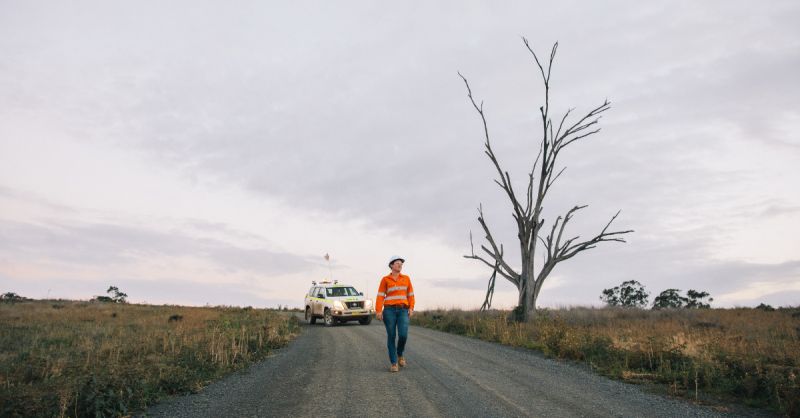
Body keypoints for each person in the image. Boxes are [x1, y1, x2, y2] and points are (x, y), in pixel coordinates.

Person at [375, 255, 415, 372]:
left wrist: (411, 308)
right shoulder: (385, 280)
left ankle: (400, 354)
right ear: (391, 265)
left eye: (401, 264)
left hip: (403, 310)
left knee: (403, 335)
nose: (400, 265)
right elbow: (380, 296)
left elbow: (411, 295)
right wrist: (378, 311)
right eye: (398, 263)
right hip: (389, 311)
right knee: (391, 336)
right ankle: (393, 363)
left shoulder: (406, 278)